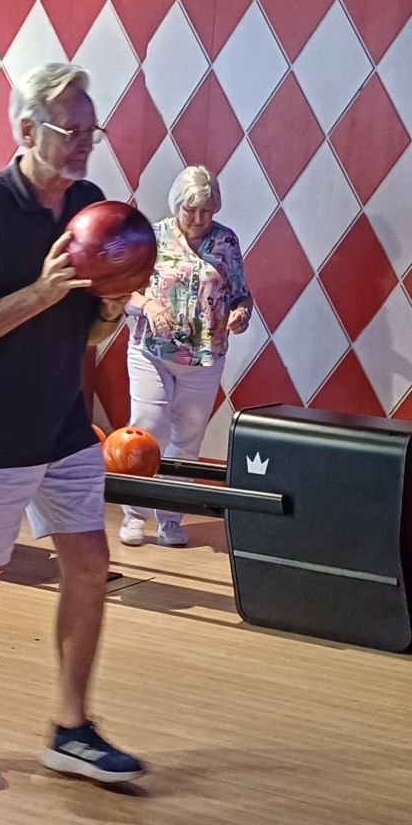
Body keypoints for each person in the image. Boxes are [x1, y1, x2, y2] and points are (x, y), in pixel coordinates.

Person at [0, 63, 143, 786]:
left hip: (61, 427)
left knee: (89, 565)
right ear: (26, 130)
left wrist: (110, 306)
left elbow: (85, 335)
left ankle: (71, 729)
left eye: (91, 129)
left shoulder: (88, 205)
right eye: (69, 129)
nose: (84, 143)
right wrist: (43, 292)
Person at [118, 165, 252, 548]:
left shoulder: (226, 242)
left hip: (206, 356)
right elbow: (123, 290)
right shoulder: (152, 237)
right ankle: (133, 514)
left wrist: (241, 313)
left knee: (188, 439)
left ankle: (171, 519)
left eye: (207, 211)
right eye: (190, 210)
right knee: (147, 428)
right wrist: (147, 305)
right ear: (177, 205)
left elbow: (241, 292)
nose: (198, 219)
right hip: (152, 350)